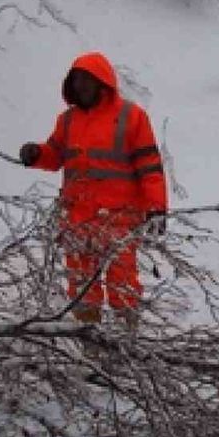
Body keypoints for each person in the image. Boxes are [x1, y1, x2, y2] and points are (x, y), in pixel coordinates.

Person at [19, 52, 168, 325]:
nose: (80, 86)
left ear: (102, 82)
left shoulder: (131, 117)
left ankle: (125, 337)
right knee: (82, 289)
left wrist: (156, 208)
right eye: (76, 80)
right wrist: (37, 154)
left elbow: (149, 167)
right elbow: (55, 154)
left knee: (122, 285)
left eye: (86, 79)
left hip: (119, 220)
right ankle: (89, 341)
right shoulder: (67, 121)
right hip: (78, 220)